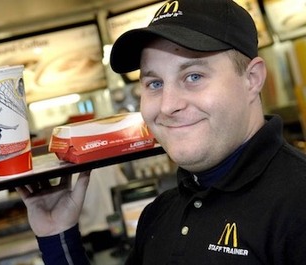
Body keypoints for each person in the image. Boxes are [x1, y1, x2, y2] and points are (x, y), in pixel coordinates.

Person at [16, 0, 306, 264]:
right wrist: (58, 237)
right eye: (154, 84)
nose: (168, 106)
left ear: (252, 79)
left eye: (193, 76)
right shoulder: (159, 215)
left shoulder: (297, 204)